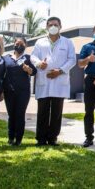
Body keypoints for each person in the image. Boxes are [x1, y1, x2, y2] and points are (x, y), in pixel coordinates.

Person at [31, 17, 76, 146]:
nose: (53, 27)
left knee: (56, 112)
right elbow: (33, 56)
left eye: (55, 24)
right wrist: (39, 63)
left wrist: (60, 71)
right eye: (50, 25)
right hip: (44, 80)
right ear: (46, 27)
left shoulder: (67, 42)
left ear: (60, 26)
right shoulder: (40, 42)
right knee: (43, 111)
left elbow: (72, 59)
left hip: (59, 81)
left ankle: (52, 138)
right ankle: (41, 139)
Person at [3, 37, 37, 146]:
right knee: (11, 114)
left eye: (21, 44)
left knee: (20, 114)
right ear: (13, 44)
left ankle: (18, 139)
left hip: (23, 92)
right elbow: (2, 74)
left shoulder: (28, 58)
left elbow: (34, 72)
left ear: (25, 46)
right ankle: (10, 137)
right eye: (17, 43)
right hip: (9, 91)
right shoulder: (7, 58)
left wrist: (29, 70)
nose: (19, 45)